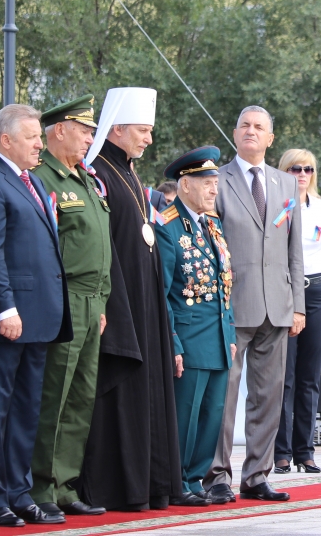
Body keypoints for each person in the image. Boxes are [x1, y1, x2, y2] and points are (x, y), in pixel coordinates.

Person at [0, 104, 73, 527]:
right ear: (6, 140)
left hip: (39, 317)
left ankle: (18, 490)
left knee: (26, 410)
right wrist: (4, 308)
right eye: (32, 137)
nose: (40, 145)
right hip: (6, 319)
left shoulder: (31, 182)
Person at [79, 87, 190, 511]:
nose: (148, 139)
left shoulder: (127, 170)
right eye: (142, 131)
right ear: (119, 128)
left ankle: (152, 484)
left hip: (145, 301)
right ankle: (118, 487)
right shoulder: (99, 174)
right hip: (119, 301)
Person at [205, 106, 306, 503]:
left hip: (277, 304)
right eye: (245, 125)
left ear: (270, 139)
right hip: (232, 304)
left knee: (268, 395)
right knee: (224, 395)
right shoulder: (218, 178)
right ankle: (215, 475)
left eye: (259, 127)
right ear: (234, 133)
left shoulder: (285, 184)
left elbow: (293, 249)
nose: (251, 131)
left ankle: (258, 474)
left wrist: (297, 304)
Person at [28, 95, 110, 518]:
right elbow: (45, 251)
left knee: (81, 397)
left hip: (93, 301)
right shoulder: (43, 179)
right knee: (54, 396)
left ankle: (65, 485)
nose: (89, 139)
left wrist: (103, 299)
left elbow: (101, 247)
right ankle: (41, 486)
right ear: (58, 130)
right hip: (64, 300)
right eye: (84, 131)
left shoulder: (86, 181)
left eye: (92, 132)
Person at [156, 147, 237, 506]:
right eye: (207, 183)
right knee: (185, 416)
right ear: (185, 185)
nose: (213, 189)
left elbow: (225, 284)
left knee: (212, 415)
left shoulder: (213, 224)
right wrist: (172, 341)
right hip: (188, 338)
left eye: (215, 182)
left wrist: (230, 334)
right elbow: (163, 293)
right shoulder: (168, 226)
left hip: (217, 337)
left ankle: (196, 478)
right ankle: (178, 481)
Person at [274, 149, 321, 474]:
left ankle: (305, 451)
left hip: (320, 288)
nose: (302, 174)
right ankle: (281, 451)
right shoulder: (278, 206)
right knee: (286, 375)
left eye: (308, 168)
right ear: (285, 171)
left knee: (310, 376)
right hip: (287, 290)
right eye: (296, 168)